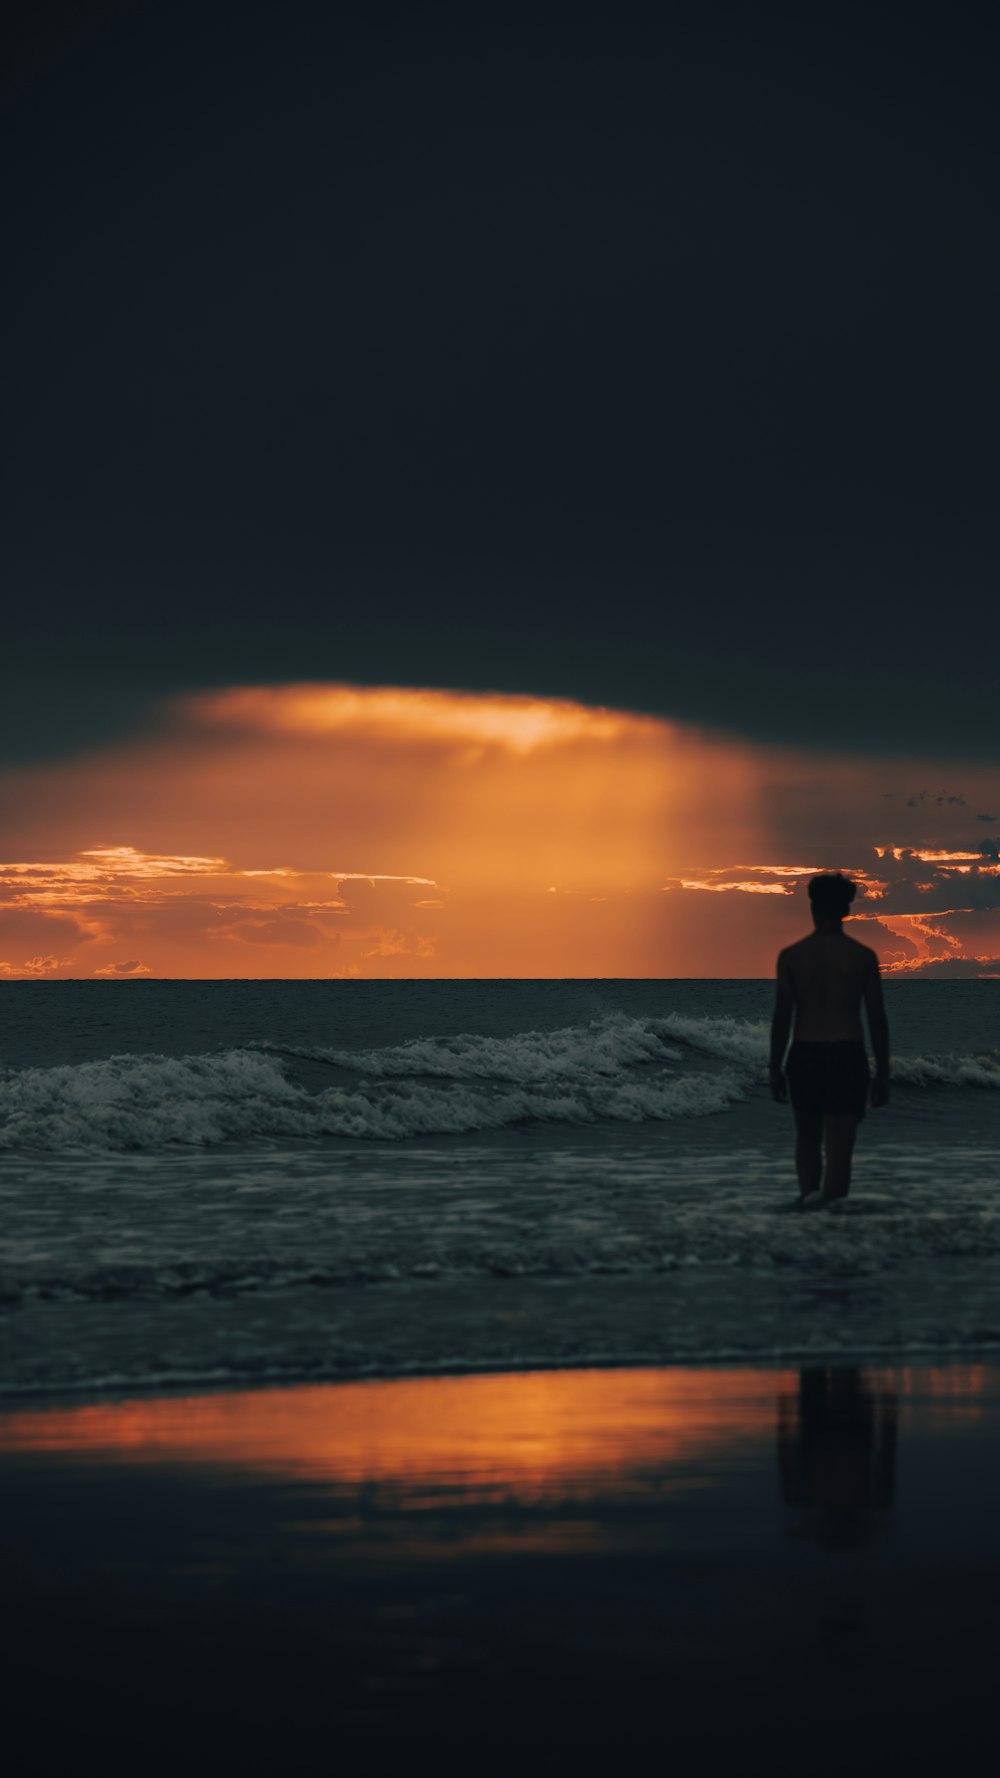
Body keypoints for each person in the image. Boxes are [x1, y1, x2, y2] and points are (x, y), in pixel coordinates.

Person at [769, 872, 890, 1208]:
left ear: (812, 905)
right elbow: (877, 1019)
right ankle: (832, 1219)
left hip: (804, 1053)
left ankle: (808, 1210)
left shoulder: (791, 956)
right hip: (845, 1054)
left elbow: (782, 1017)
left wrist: (774, 1068)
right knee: (840, 1146)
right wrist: (883, 1071)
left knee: (807, 1140)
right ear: (847, 909)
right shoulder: (862, 957)